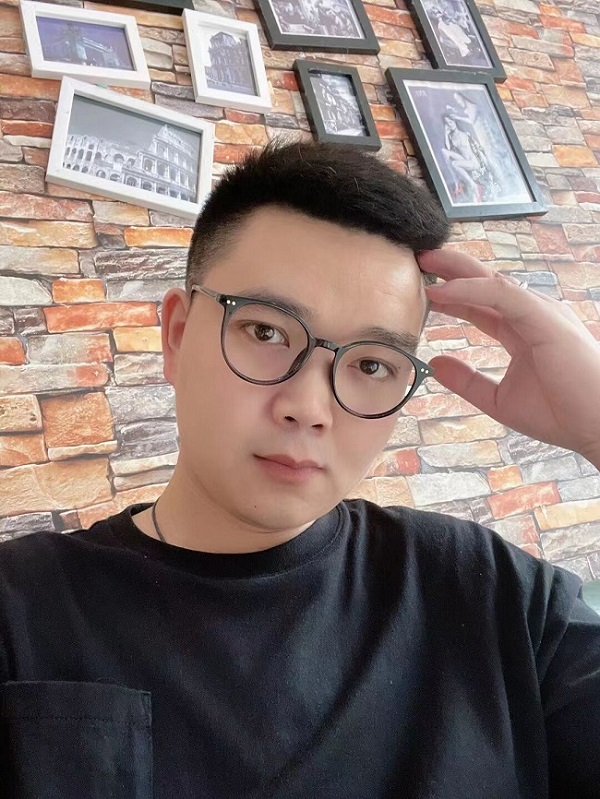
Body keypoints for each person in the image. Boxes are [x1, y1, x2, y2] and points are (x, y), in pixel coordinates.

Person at [1, 141, 599, 799]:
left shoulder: (493, 594)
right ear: (177, 335)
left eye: (371, 364)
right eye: (266, 332)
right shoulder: (22, 607)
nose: (309, 408)